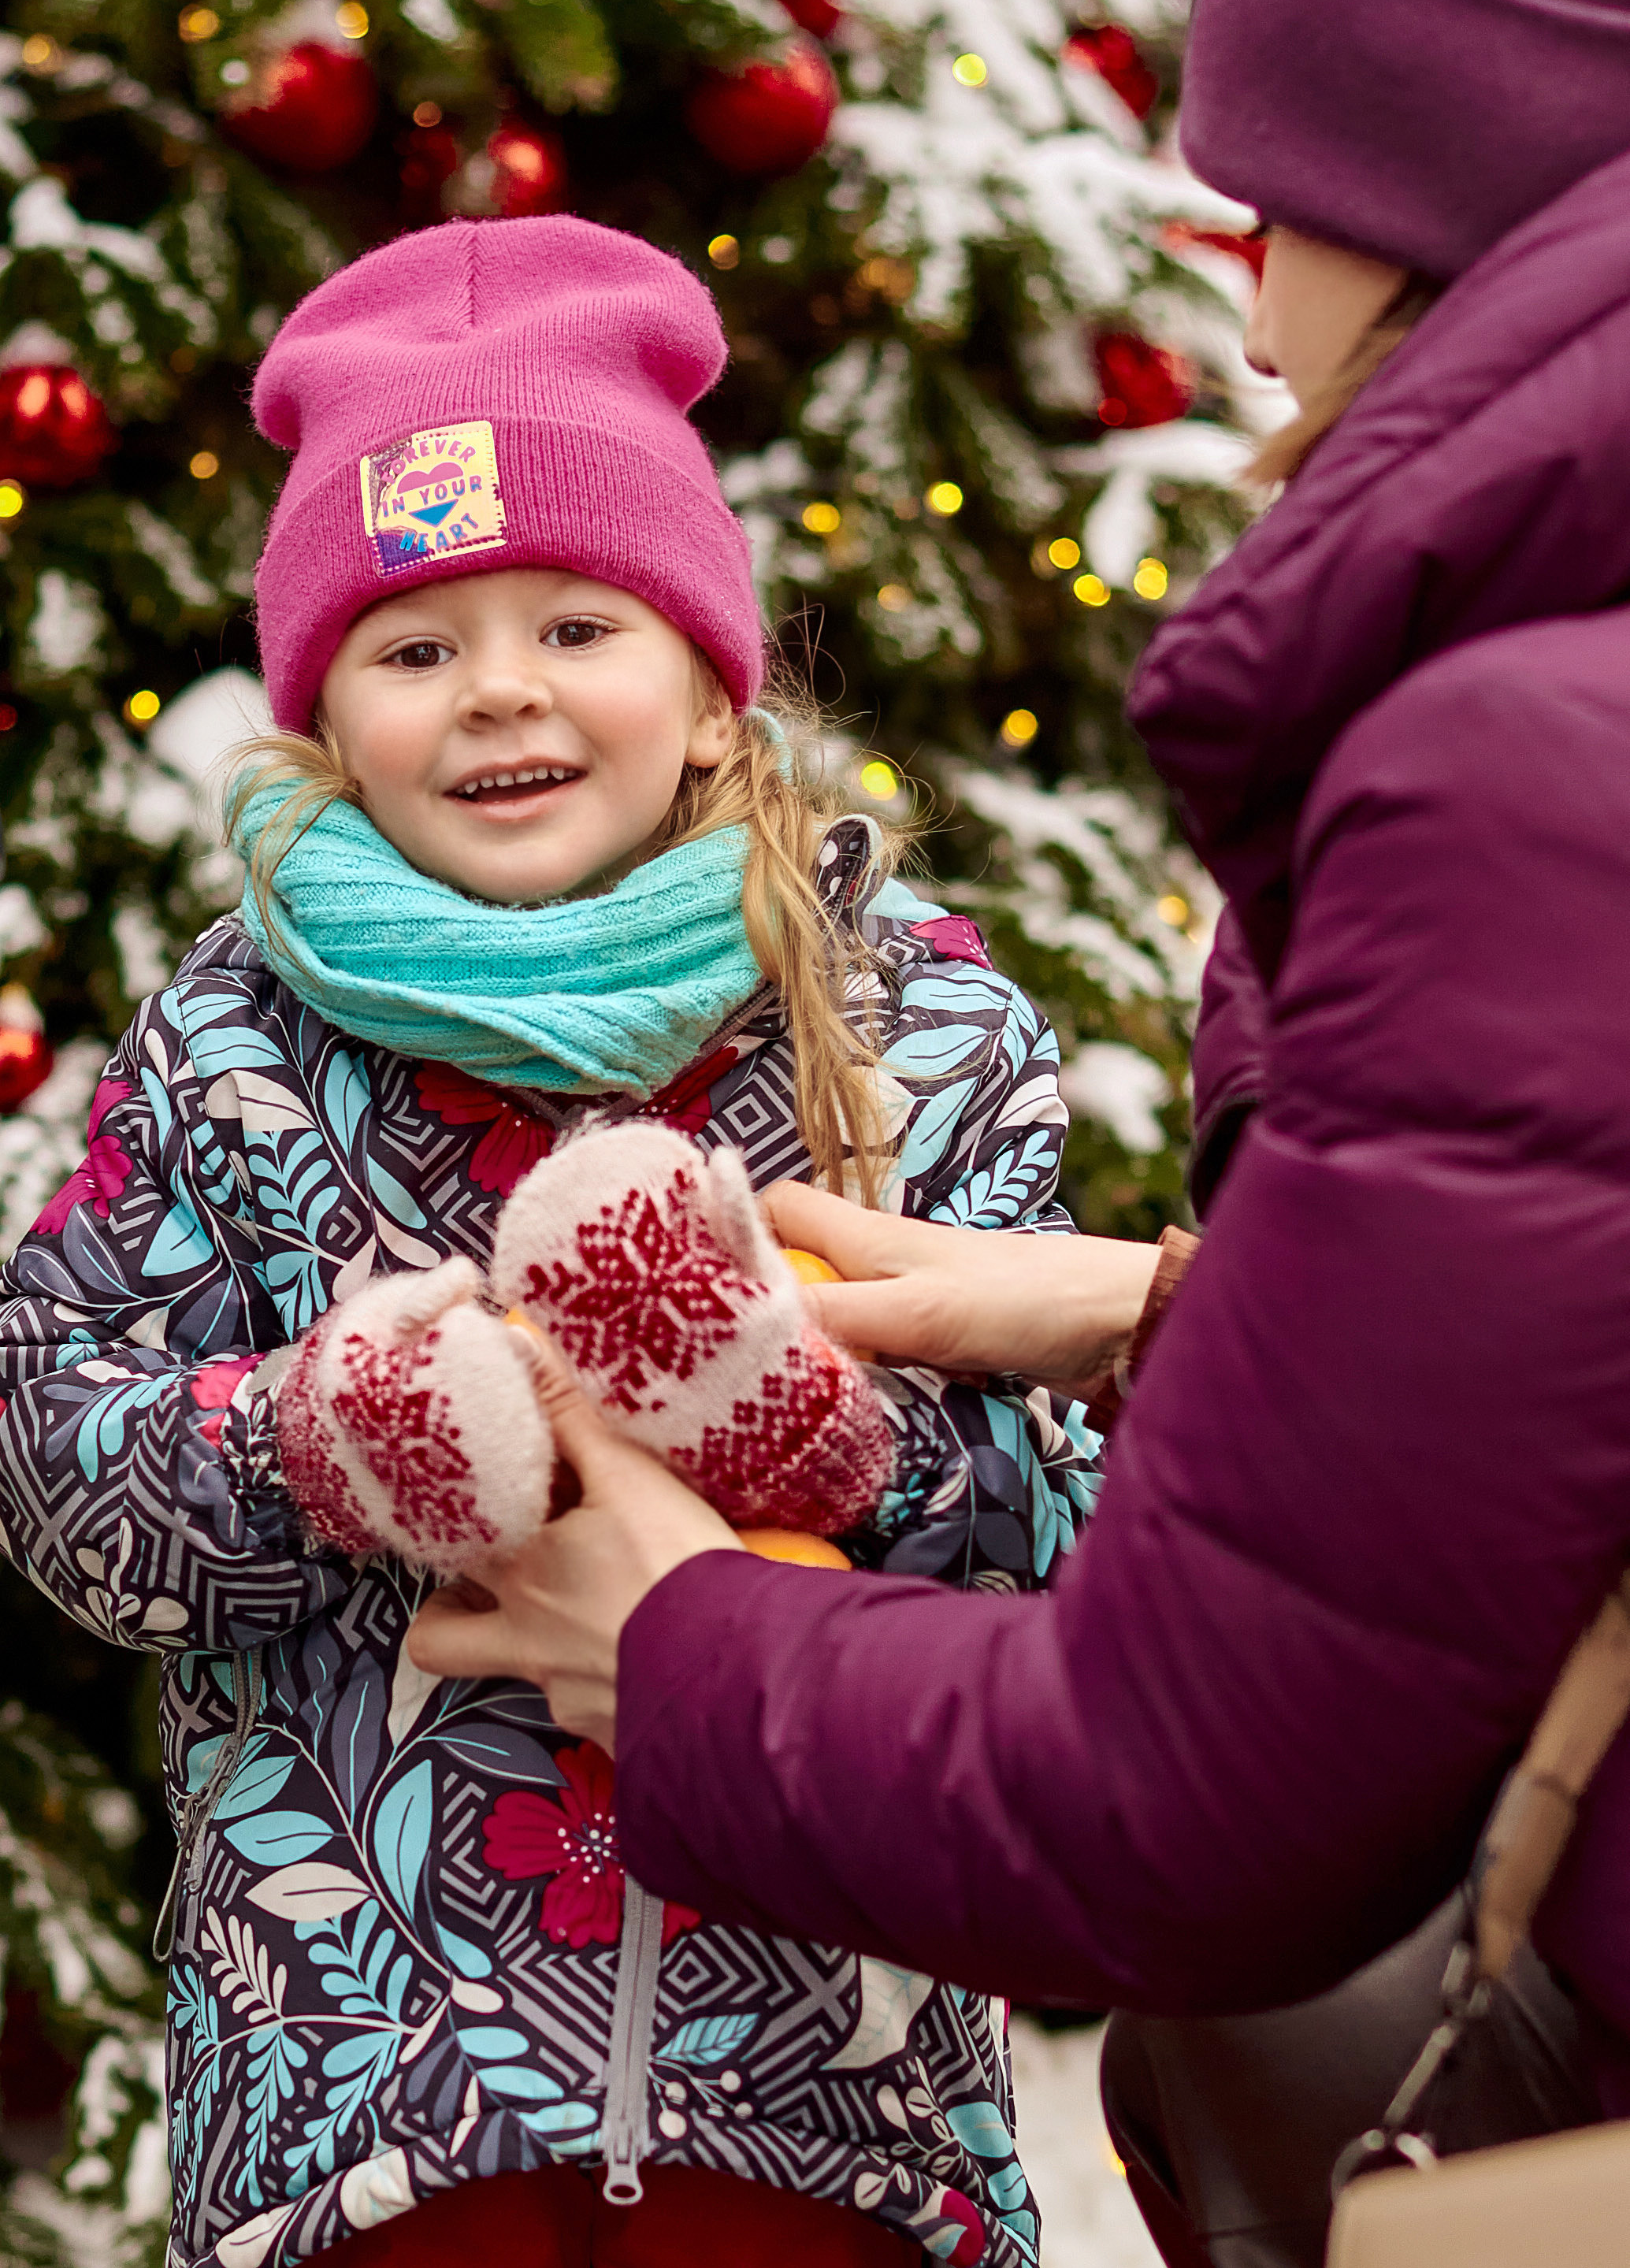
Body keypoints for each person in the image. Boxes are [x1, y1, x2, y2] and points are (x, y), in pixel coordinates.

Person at [407, 0, 1630, 2257]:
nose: (1247, 282)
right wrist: (1155, 1305)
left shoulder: (1518, 766)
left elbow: (1192, 1785)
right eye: (423, 641)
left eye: (1274, 199)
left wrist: (667, 1625)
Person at [0, 215, 1107, 2266]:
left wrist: (809, 1438)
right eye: (417, 648)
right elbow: (66, 1476)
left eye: (577, 624)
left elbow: (1069, 1535)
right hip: (376, 2111)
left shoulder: (915, 1027)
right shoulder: (231, 1045)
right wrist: (332, 1444)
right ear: (335, 719)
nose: (499, 687)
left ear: (706, 683)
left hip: (829, 2119)